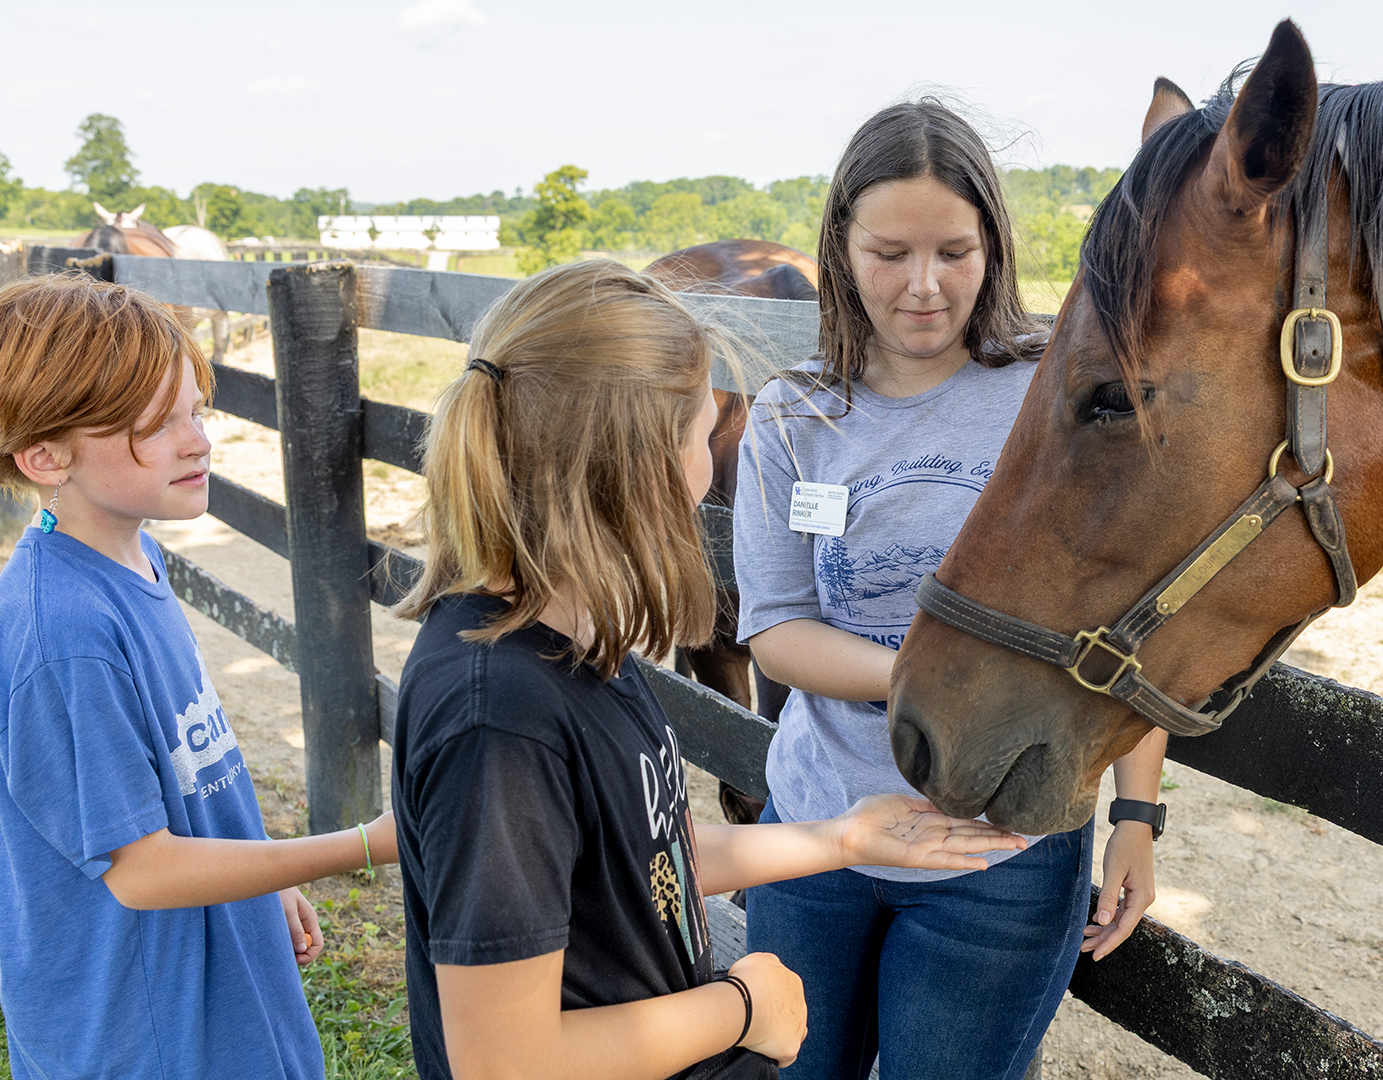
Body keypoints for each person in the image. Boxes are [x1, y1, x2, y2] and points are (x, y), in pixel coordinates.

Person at [389, 259, 1027, 1080]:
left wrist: (843, 837)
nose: (714, 456)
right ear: (650, 462)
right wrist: (741, 1007)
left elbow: (637, 853)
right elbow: (503, 1061)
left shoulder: (573, 645)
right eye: (706, 426)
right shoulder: (499, 718)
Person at [732, 101, 1171, 1080]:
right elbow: (776, 630)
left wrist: (1137, 816)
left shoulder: (1056, 397)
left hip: (1000, 861)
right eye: (889, 252)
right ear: (840, 246)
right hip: (816, 841)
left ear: (994, 248)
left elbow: (1129, 626)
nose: (925, 288)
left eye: (954, 252)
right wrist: (940, 681)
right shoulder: (793, 413)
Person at [0, 273, 396, 1080]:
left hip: (215, 976)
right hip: (142, 1027)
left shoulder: (134, 554)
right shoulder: (63, 632)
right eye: (155, 426)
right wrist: (360, 846)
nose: (198, 440)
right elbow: (143, 871)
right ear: (45, 454)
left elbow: (193, 751)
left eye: (195, 409)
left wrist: (259, 866)